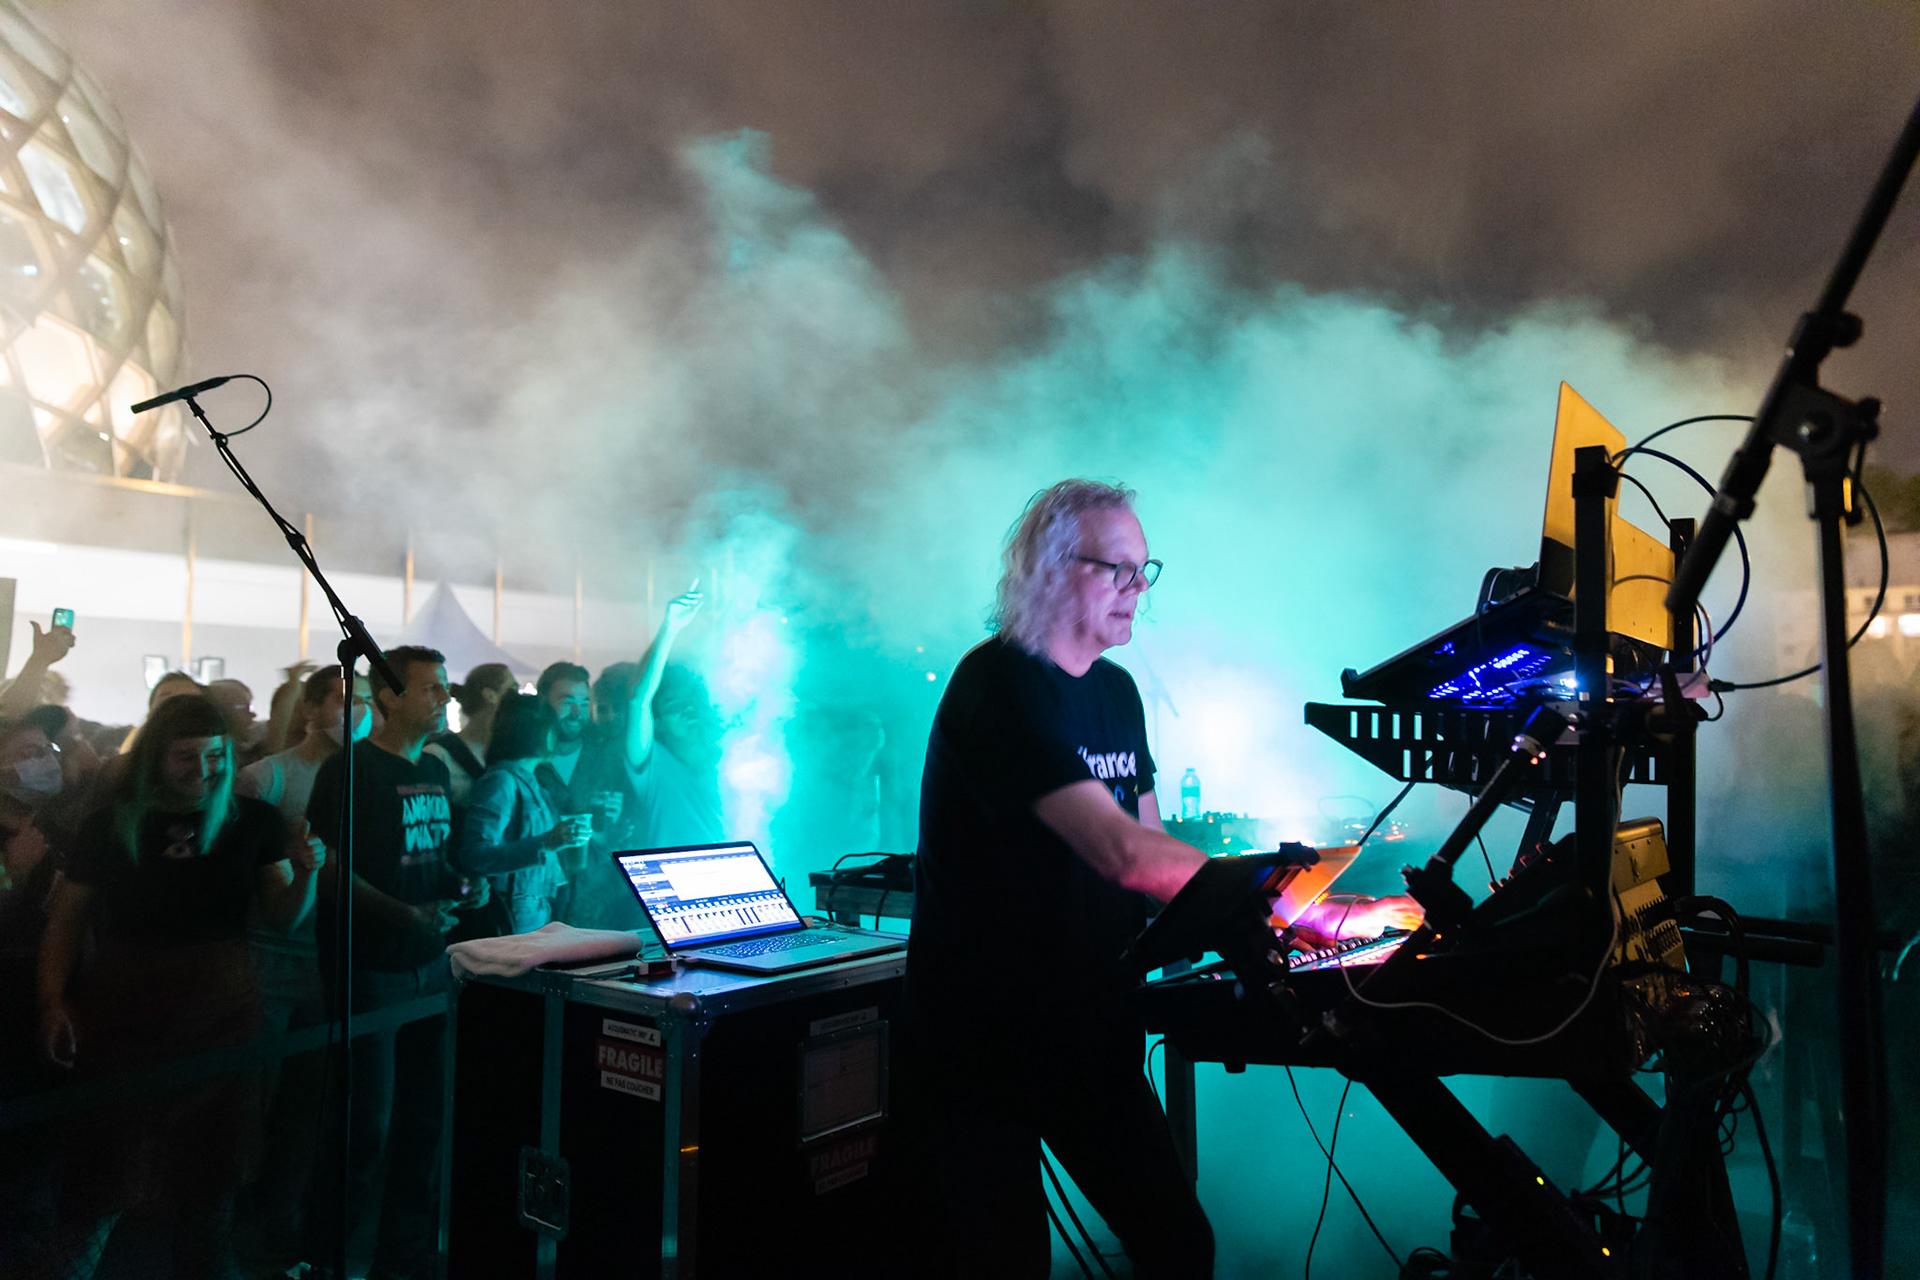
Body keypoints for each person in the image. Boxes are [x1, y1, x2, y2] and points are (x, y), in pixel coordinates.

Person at [904, 480, 1416, 1279]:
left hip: (1086, 1021)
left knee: (1178, 1244)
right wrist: (1297, 902)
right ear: (1048, 567)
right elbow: (1124, 855)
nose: (1138, 590)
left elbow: (1152, 850)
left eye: (1146, 570)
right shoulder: (999, 685)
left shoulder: (1115, 691)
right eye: (1117, 569)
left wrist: (1332, 912)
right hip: (983, 1039)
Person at [35, 694, 324, 1278]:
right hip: (126, 1007)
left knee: (213, 1180)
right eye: (185, 757)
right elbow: (65, 921)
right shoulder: (111, 822)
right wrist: (52, 1002)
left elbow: (283, 917)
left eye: (214, 755)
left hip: (222, 1009)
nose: (204, 770)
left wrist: (309, 873)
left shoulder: (253, 822)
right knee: (105, 1175)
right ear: (154, 758)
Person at [305, 645, 472, 1280]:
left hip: (430, 965)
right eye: (431, 688)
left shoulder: (431, 769)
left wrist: (457, 886)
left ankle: (404, 1257)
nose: (443, 698)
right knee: (366, 1129)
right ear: (387, 698)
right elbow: (327, 871)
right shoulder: (351, 770)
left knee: (425, 1117)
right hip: (372, 969)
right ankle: (341, 1259)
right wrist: (402, 914)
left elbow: (428, 857)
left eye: (445, 687)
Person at [235, 664, 365, 1274]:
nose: (354, 712)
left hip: (328, 960)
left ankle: (284, 1222)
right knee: (251, 1100)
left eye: (363, 703)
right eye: (342, 700)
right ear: (312, 707)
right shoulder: (266, 776)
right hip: (266, 956)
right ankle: (232, 1220)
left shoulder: (365, 777)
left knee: (307, 1107)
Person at [560, 587, 721, 930]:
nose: (689, 711)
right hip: (677, 894)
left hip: (734, 882)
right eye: (675, 708)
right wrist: (671, 628)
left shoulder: (731, 757)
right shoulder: (652, 763)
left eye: (691, 702)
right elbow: (639, 699)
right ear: (659, 720)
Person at [456, 693, 589, 935]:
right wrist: (546, 841)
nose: (556, 736)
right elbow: (475, 856)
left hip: (536, 914)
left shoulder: (532, 782)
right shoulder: (501, 782)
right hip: (512, 921)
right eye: (552, 728)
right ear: (537, 732)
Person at [425, 662, 516, 817]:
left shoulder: (508, 753)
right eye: (512, 689)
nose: (517, 698)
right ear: (490, 695)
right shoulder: (438, 756)